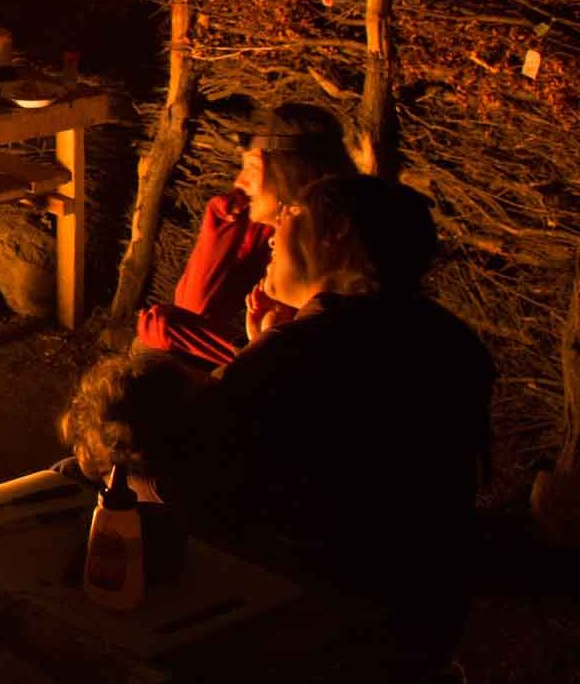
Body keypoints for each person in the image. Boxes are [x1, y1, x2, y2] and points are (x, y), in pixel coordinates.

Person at [71, 174, 493, 676]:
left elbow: (187, 475)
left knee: (112, 469)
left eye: (291, 216)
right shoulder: (451, 342)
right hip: (427, 619)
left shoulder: (299, 356)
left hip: (324, 628)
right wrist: (266, 345)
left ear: (337, 235)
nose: (270, 233)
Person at [135, 103, 355, 371]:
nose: (239, 182)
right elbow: (196, 310)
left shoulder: (337, 251)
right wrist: (220, 220)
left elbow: (301, 368)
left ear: (290, 172)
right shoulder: (266, 235)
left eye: (252, 166)